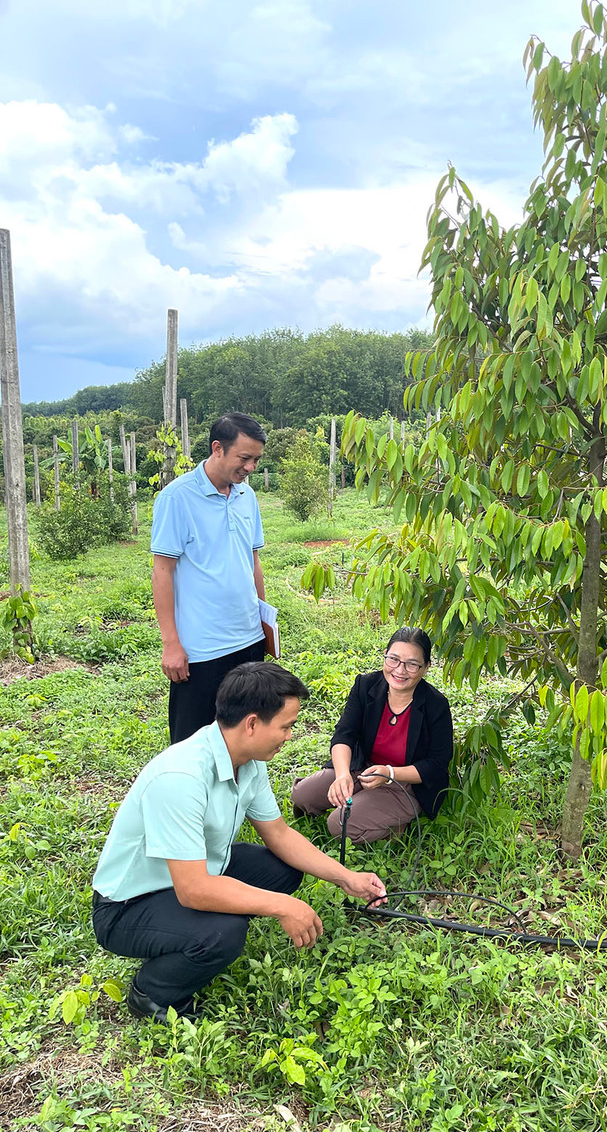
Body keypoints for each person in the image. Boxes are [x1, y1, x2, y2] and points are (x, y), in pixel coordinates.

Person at [92, 662, 386, 1023]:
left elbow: (278, 833)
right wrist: (281, 907)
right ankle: (153, 990)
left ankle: (190, 930)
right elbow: (193, 890)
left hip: (196, 871)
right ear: (251, 723)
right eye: (286, 726)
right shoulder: (181, 777)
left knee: (283, 869)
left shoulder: (247, 760)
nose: (289, 735)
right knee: (224, 933)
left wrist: (346, 877)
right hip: (128, 906)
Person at [151, 412, 269, 744]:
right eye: (244, 458)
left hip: (249, 641)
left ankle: (238, 797)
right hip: (202, 650)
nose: (250, 468)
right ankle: (197, 799)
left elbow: (253, 561)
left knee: (247, 737)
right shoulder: (177, 498)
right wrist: (171, 644)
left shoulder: (248, 496)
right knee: (194, 744)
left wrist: (263, 620)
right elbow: (162, 572)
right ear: (217, 448)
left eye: (256, 460)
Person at [291, 627, 453, 845]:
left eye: (412, 664)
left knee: (339, 824)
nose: (400, 670)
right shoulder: (365, 686)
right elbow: (344, 734)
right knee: (302, 796)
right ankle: (362, 802)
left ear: (426, 668)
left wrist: (389, 772)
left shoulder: (436, 705)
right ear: (385, 655)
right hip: (362, 766)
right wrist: (341, 776)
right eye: (393, 659)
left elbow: (437, 763)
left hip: (405, 783)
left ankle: (395, 827)